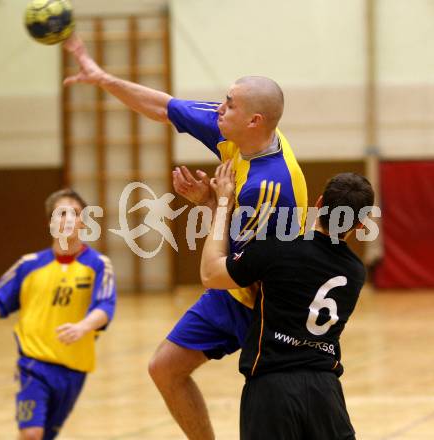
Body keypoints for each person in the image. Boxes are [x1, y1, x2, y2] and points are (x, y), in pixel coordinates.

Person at [63, 33, 307, 440]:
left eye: (230, 104)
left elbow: (226, 270)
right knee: (164, 368)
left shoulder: (267, 186)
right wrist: (104, 78)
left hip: (269, 306)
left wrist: (214, 203)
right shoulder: (234, 132)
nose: (219, 108)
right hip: (235, 291)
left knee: (271, 411)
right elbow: (164, 107)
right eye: (224, 99)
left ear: (254, 121)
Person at [201, 162, 374, 439]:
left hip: (271, 389)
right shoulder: (355, 272)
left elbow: (211, 274)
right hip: (325, 392)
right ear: (362, 223)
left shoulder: (277, 248)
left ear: (318, 203)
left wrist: (222, 204)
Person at [0, 189, 116, 440]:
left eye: (75, 214)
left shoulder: (98, 265)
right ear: (50, 223)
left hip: (74, 369)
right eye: (61, 214)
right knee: (31, 433)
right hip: (33, 364)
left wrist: (83, 326)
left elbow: (105, 306)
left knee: (46, 435)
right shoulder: (28, 265)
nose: (68, 220)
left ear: (83, 222)